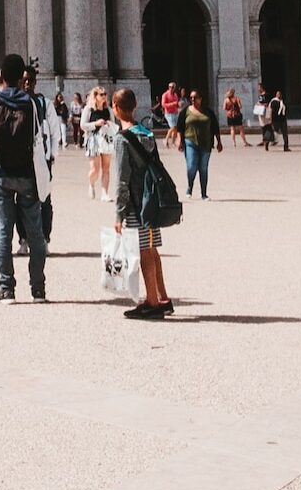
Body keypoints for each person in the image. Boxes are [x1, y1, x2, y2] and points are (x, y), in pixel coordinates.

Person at [0, 55, 49, 303]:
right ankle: (38, 288)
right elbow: (38, 132)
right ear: (21, 77)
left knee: (3, 232)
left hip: (0, 175)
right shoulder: (34, 104)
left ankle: (7, 289)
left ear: (2, 76)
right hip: (27, 174)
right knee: (35, 233)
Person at [111, 87, 176, 319]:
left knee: (146, 250)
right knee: (152, 248)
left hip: (138, 205)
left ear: (115, 109)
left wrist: (118, 214)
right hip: (152, 199)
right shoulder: (147, 133)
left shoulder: (122, 139)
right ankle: (163, 297)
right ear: (135, 105)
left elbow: (121, 179)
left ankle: (152, 302)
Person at [178, 89, 219, 199]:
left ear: (200, 99)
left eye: (195, 97)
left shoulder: (208, 112)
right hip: (190, 141)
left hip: (206, 143)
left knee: (203, 168)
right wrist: (179, 141)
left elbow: (215, 127)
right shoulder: (185, 111)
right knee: (191, 166)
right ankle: (190, 186)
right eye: (191, 97)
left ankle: (204, 194)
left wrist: (219, 141)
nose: (192, 99)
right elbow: (180, 127)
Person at [82, 85, 117, 200]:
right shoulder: (89, 109)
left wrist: (108, 124)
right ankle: (91, 184)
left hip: (106, 139)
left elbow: (113, 123)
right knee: (95, 169)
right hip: (93, 140)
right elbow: (83, 125)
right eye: (101, 94)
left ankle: (105, 193)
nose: (104, 97)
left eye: (105, 94)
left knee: (106, 168)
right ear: (95, 96)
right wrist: (95, 124)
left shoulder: (109, 110)